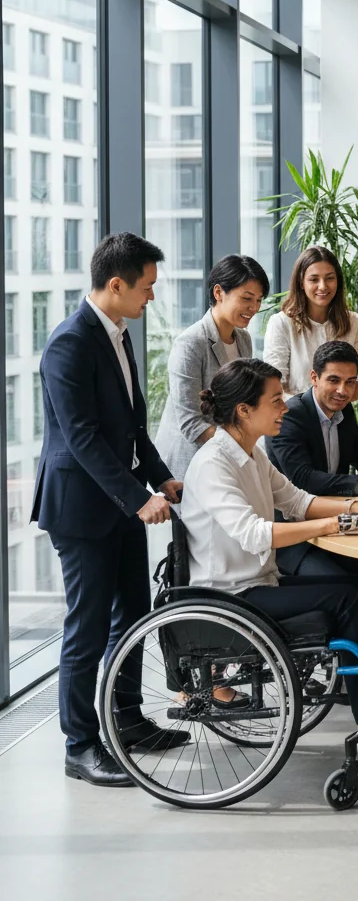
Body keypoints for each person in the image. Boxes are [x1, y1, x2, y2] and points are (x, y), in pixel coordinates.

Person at [181, 358, 358, 761]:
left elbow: (298, 501)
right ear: (244, 410)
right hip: (233, 597)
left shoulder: (251, 453)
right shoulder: (214, 464)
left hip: (260, 581)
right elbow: (254, 533)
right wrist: (332, 526)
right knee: (349, 599)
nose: (285, 409)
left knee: (354, 592)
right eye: (275, 402)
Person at [33, 232, 191, 787]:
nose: (152, 296)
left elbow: (129, 428)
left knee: (132, 616)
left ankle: (128, 722)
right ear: (117, 284)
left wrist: (161, 477)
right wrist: (137, 498)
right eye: (147, 286)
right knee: (88, 628)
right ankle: (80, 746)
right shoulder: (69, 344)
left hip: (122, 503)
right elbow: (81, 438)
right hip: (80, 509)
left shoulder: (120, 335)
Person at [265, 339, 358, 610]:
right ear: (314, 377)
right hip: (297, 538)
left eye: (350, 382)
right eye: (334, 380)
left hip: (337, 523)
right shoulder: (291, 416)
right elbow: (303, 479)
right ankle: (354, 636)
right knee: (347, 587)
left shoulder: (344, 410)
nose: (343, 390)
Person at [154, 254, 269, 480]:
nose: (254, 307)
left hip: (225, 459)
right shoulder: (191, 343)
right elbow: (191, 423)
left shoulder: (244, 340)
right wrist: (239, 448)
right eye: (247, 298)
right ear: (218, 293)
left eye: (259, 299)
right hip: (189, 466)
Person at [263, 245, 358, 399]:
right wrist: (314, 409)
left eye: (330, 278)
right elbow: (274, 387)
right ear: (301, 283)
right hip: (295, 416)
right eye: (314, 279)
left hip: (338, 418)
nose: (323, 286)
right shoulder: (281, 323)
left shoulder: (353, 321)